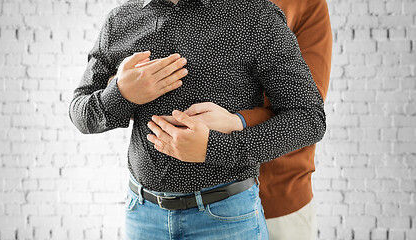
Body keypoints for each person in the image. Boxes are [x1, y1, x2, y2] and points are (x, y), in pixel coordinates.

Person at [68, 0, 326, 239]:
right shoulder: (121, 20)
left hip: (228, 217)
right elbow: (80, 112)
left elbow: (308, 118)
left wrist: (215, 148)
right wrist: (121, 94)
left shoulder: (255, 16)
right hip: (143, 216)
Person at [146, 0, 333, 239]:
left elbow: (304, 108)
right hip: (171, 203)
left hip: (278, 193)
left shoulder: (302, 4)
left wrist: (236, 121)